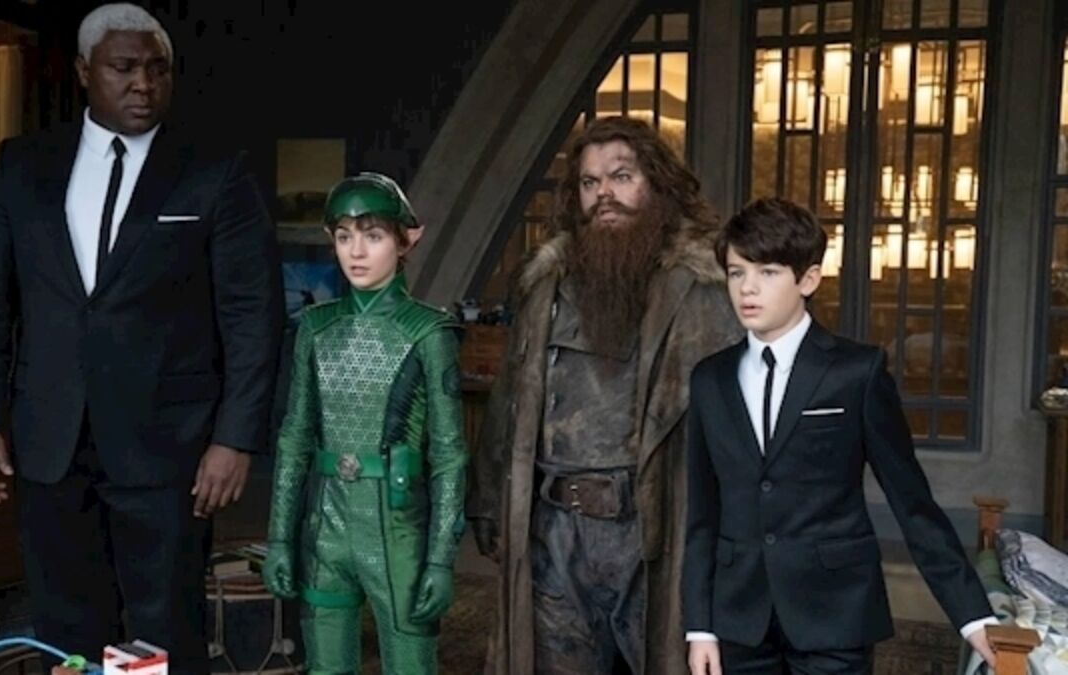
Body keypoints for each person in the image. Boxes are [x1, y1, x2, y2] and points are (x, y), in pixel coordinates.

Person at [0, 4, 284, 672]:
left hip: (169, 452)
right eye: (124, 67)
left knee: (165, 634)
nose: (143, 84)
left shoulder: (215, 170)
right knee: (66, 631)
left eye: (158, 69)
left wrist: (236, 437)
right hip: (50, 445)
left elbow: (254, 315)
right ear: (83, 71)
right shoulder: (24, 165)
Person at [468, 116, 742, 673]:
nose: (604, 195)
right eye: (590, 183)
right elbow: (511, 400)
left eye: (621, 176)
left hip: (650, 529)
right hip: (554, 529)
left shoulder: (704, 291)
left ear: (658, 184)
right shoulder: (546, 286)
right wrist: (490, 499)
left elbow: (734, 426)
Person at [682, 197, 997, 674]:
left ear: (808, 279)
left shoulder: (857, 372)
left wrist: (973, 616)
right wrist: (699, 628)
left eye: (768, 272)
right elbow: (702, 515)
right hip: (738, 618)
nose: (747, 288)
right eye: (736, 272)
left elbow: (912, 503)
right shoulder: (710, 378)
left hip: (835, 614)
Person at [261, 172, 468, 673]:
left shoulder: (429, 333)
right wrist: (280, 539)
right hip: (325, 528)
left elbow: (449, 455)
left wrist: (441, 559)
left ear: (406, 240)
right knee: (326, 666)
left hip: (399, 532)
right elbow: (294, 438)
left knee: (410, 665)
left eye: (373, 235)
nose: (356, 252)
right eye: (344, 236)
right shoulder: (316, 327)